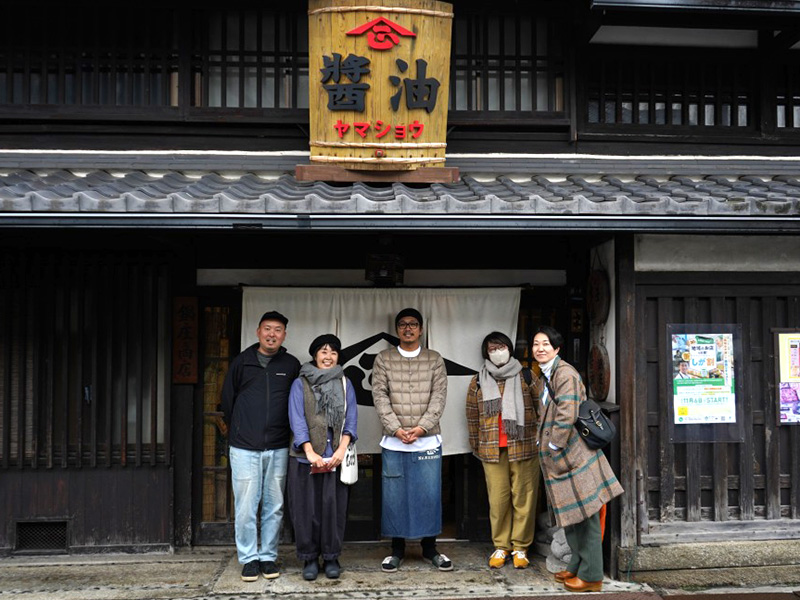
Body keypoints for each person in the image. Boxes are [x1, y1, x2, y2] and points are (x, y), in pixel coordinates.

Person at [532, 325, 623, 593]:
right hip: (561, 459)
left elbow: (567, 414)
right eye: (536, 344)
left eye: (546, 344)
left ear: (557, 349)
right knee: (570, 518)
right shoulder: (546, 374)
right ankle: (576, 566)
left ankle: (592, 576)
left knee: (587, 519)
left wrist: (552, 444)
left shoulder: (565, 374)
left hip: (574, 457)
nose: (539, 348)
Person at [221, 310, 301, 582]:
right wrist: (242, 429)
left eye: (278, 330)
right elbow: (227, 401)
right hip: (244, 447)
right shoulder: (242, 362)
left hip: (278, 446)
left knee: (274, 505)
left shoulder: (290, 364)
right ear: (258, 332)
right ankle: (248, 558)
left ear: (284, 335)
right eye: (267, 328)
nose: (272, 334)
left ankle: (267, 556)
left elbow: (297, 404)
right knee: (245, 506)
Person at [372, 307, 452, 573]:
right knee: (395, 495)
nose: (408, 328)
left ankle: (430, 548)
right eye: (403, 324)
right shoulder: (383, 358)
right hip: (394, 441)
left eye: (413, 324)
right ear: (397, 329)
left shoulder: (434, 359)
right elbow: (380, 395)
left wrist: (421, 428)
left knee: (428, 493)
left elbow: (439, 396)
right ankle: (397, 549)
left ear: (420, 329)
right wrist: (396, 428)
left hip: (427, 440)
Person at [466, 332, 540, 570]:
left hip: (524, 444)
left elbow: (542, 407)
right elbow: (471, 414)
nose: (497, 351)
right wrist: (475, 443)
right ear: (485, 353)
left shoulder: (527, 375)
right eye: (492, 348)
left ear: (510, 348)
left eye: (501, 346)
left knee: (524, 498)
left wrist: (540, 438)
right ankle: (501, 546)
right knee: (498, 500)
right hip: (491, 448)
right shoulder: (478, 380)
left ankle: (520, 547)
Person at [287, 334, 358, 581]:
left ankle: (331, 556)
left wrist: (340, 451)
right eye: (323, 351)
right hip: (305, 459)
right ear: (315, 354)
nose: (328, 357)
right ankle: (309, 557)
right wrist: (309, 451)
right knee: (306, 511)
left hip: (335, 459)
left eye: (333, 353)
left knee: (333, 510)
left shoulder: (345, 383)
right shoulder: (300, 383)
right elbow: (297, 419)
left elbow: (351, 421)